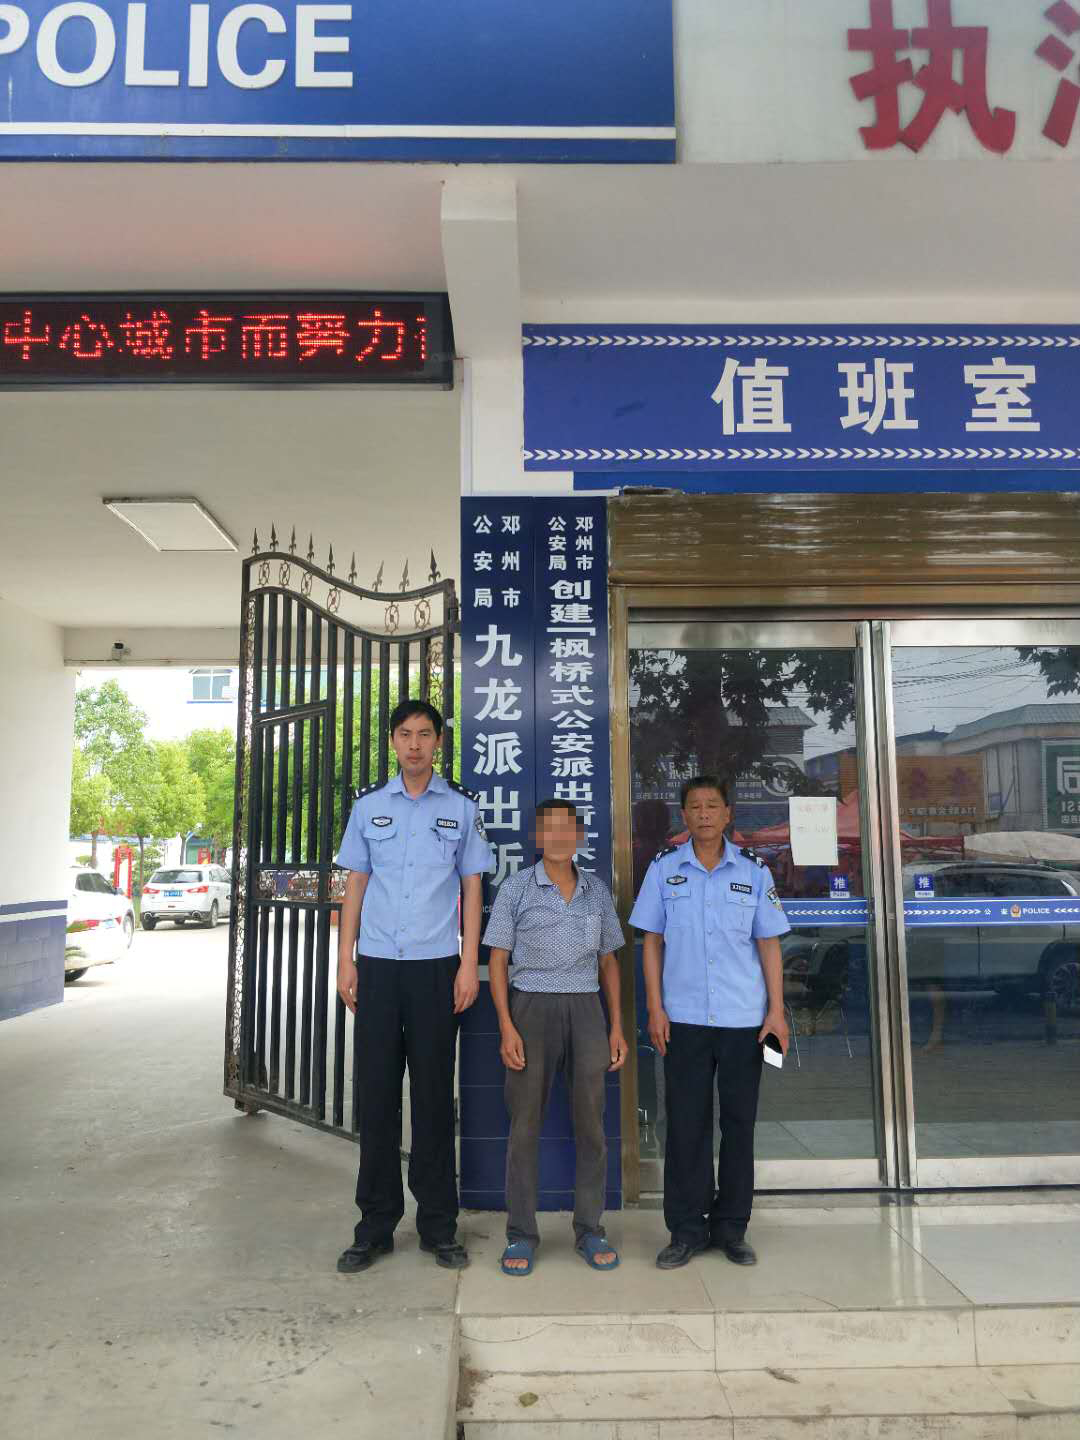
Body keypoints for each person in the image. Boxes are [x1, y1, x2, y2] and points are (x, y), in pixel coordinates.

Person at [333, 699, 494, 1273]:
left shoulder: (461, 809)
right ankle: (375, 1226)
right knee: (376, 1097)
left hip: (435, 969)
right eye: (405, 734)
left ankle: (438, 1227)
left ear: (439, 742)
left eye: (425, 734)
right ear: (393, 742)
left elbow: (472, 888)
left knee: (432, 1099)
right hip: (378, 967)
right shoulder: (369, 807)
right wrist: (345, 961)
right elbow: (355, 885)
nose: (415, 744)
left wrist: (467, 963)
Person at [629, 774, 790, 1270]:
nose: (703, 814)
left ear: (727, 814)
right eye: (695, 806)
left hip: (744, 1019)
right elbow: (651, 942)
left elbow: (768, 943)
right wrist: (655, 1008)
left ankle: (732, 1228)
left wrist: (777, 1011)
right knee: (686, 1125)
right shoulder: (664, 869)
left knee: (739, 1125)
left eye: (712, 806)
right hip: (684, 1019)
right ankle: (686, 1229)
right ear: (684, 816)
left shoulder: (754, 871)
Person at [483, 800, 628, 1276]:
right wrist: (506, 1025)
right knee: (525, 1126)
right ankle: (521, 1233)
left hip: (586, 1008)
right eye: (551, 829)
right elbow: (498, 960)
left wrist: (615, 1026)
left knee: (591, 1125)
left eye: (569, 829)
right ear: (537, 837)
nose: (561, 837)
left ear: (580, 836)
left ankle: (590, 1229)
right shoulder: (517, 888)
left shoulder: (596, 891)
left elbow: (608, 961)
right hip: (531, 1008)